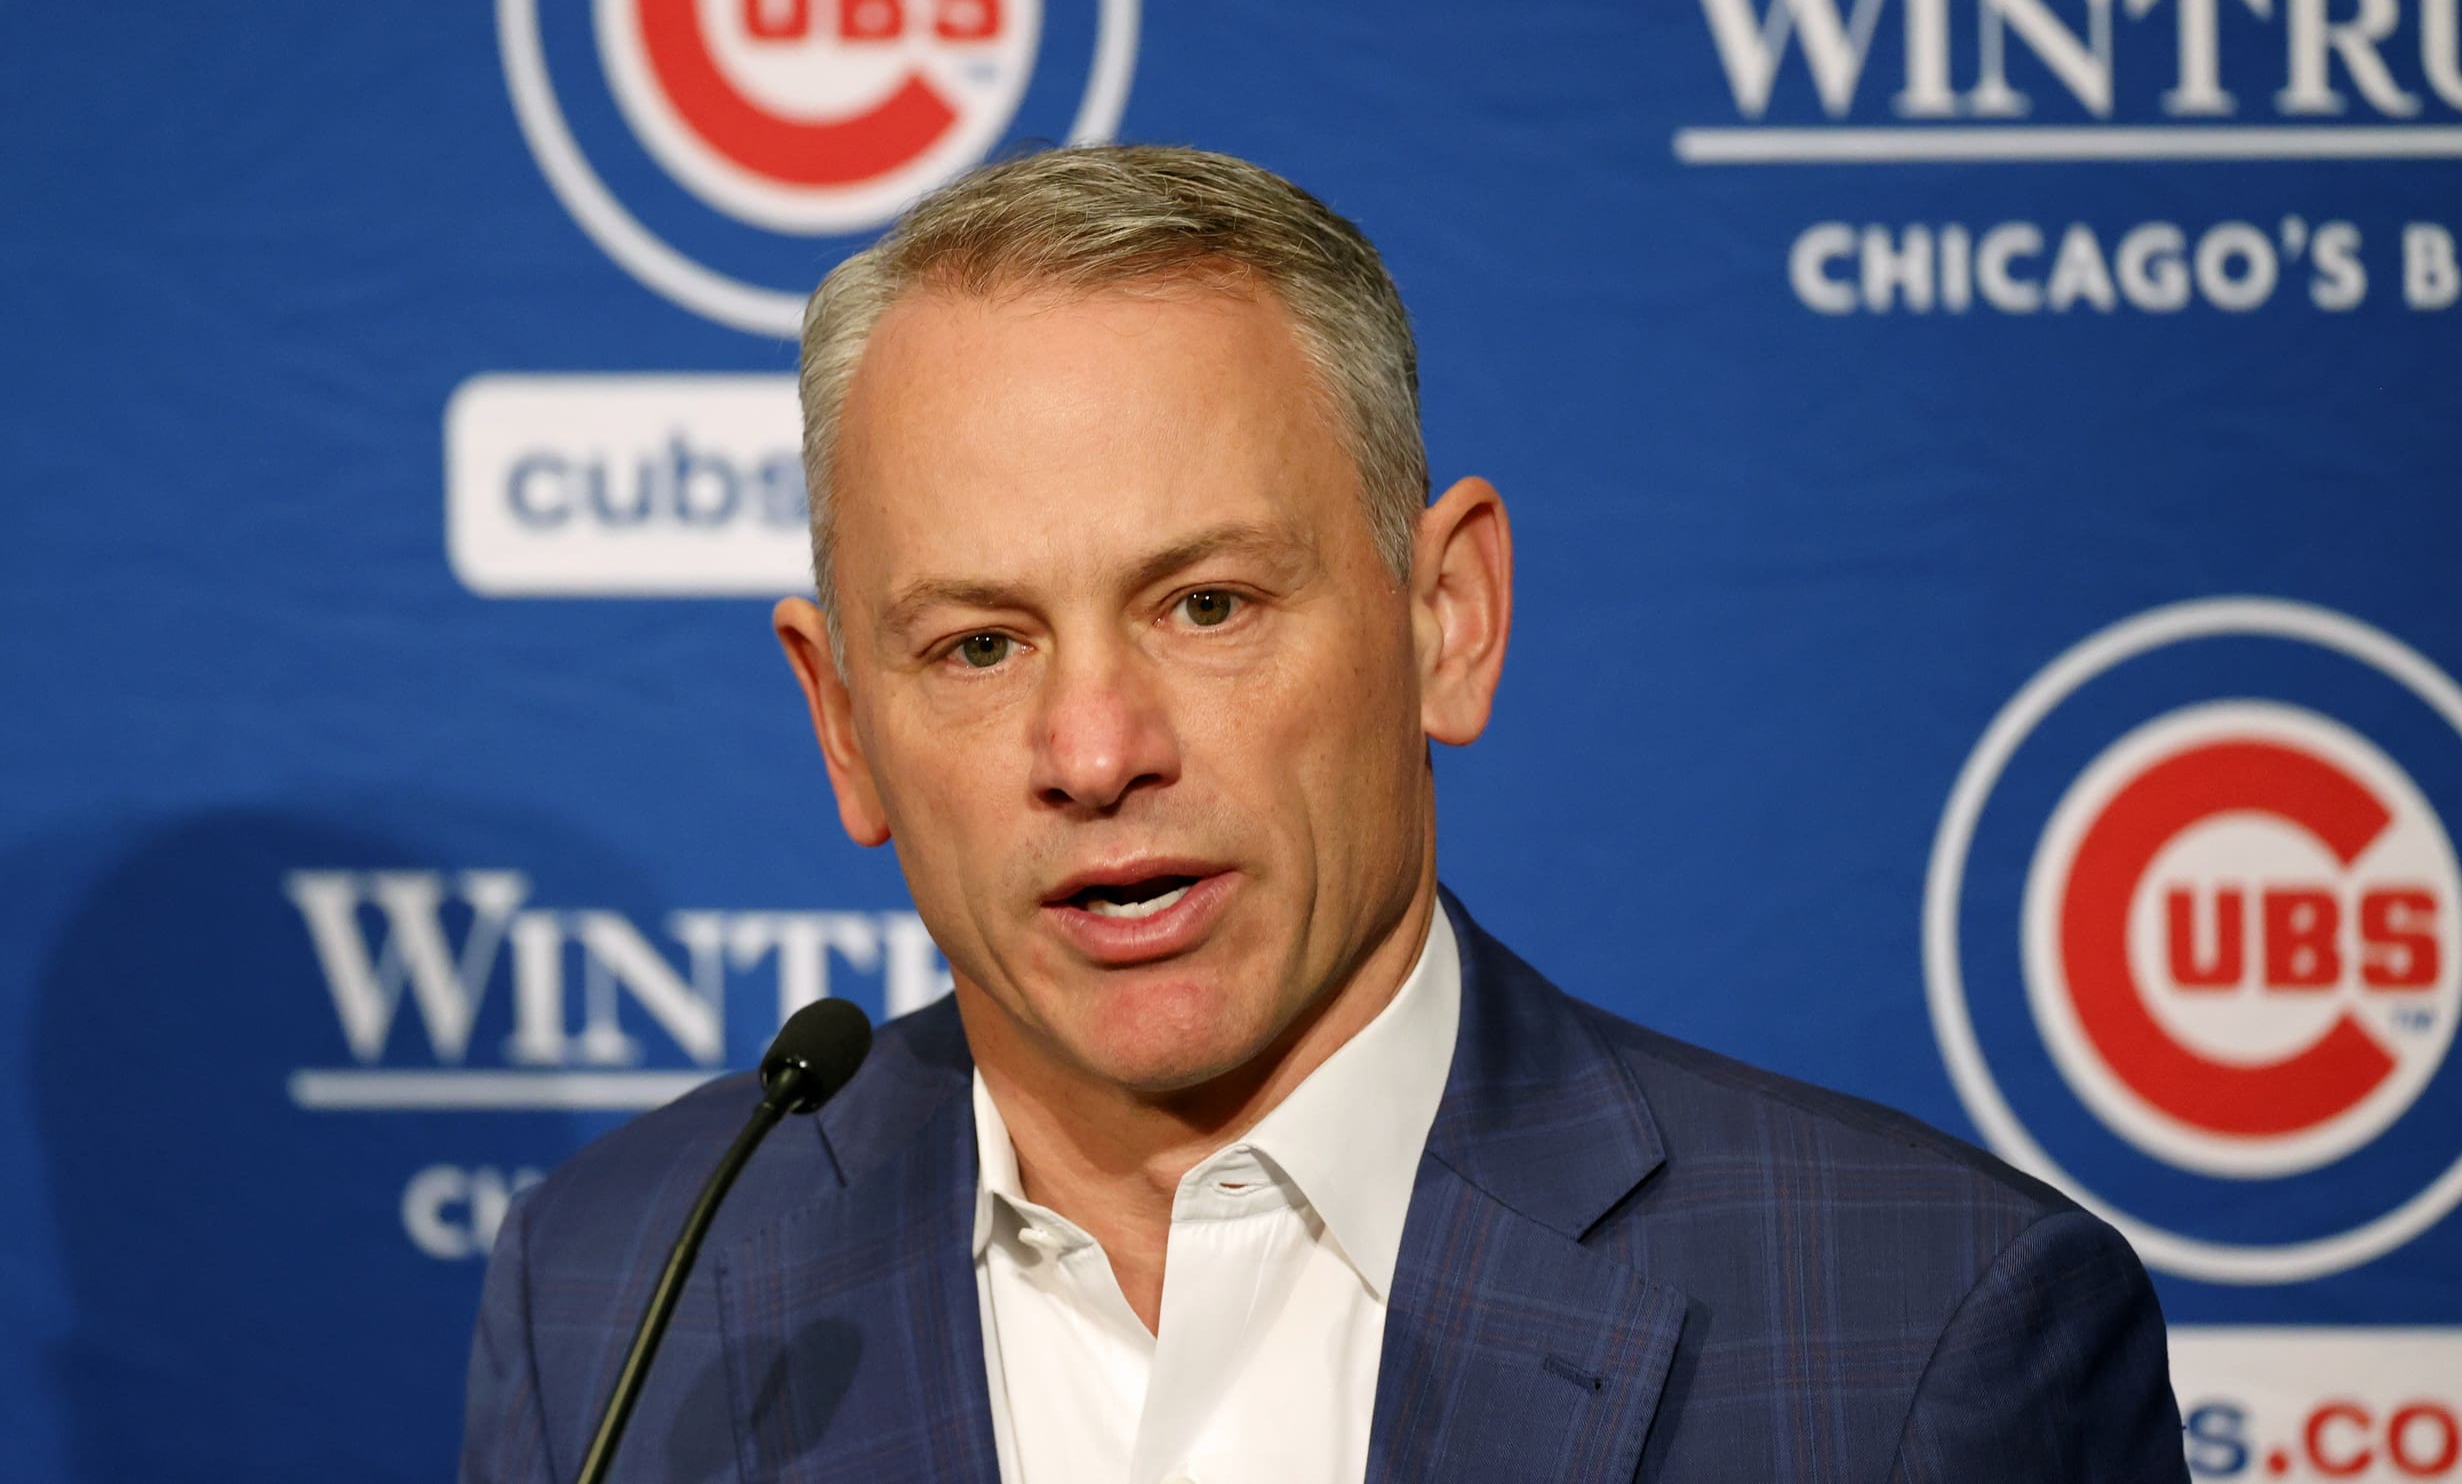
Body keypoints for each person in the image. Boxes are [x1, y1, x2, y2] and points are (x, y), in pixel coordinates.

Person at [460, 145, 2189, 1484]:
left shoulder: (1922, 1324)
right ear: (843, 724)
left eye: (1205, 604)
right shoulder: (620, 1294)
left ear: (1448, 616)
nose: (1094, 745)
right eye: (979, 643)